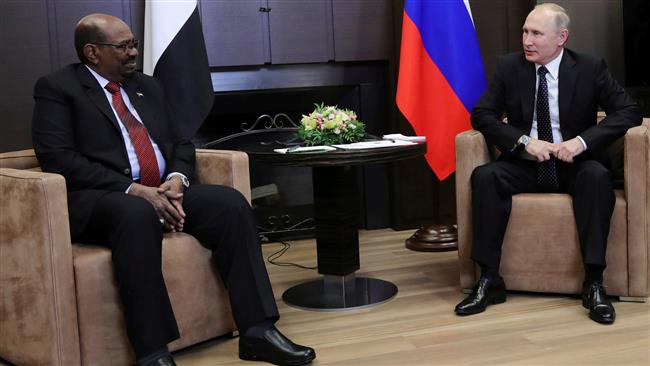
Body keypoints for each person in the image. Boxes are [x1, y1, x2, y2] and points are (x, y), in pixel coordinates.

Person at [31, 13, 316, 366]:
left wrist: (178, 179)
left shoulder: (147, 86)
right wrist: (132, 189)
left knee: (230, 204)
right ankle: (152, 352)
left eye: (133, 43)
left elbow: (181, 142)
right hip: (103, 199)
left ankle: (258, 331)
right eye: (123, 46)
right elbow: (57, 158)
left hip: (163, 190)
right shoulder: (58, 88)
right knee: (136, 215)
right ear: (92, 52)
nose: (133, 52)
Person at [455, 3, 642, 324]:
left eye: (536, 33)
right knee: (486, 176)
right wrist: (524, 142)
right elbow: (482, 114)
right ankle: (489, 279)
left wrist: (582, 142)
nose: (527, 40)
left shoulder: (589, 67)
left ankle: (594, 283)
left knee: (596, 177)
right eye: (525, 31)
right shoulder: (509, 67)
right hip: (526, 164)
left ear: (561, 38)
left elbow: (629, 111)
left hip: (574, 165)